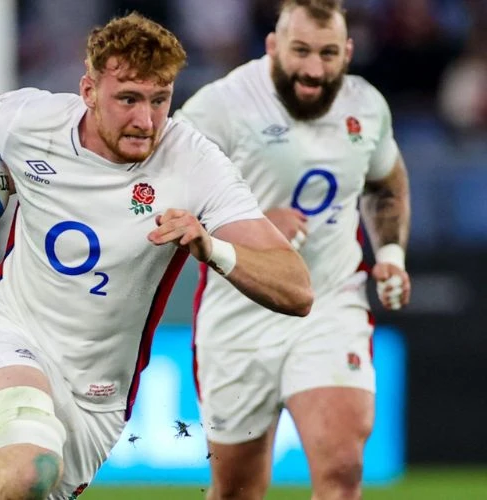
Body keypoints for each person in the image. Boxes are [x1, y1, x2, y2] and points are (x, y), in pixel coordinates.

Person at [0, 12, 314, 500]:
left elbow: (297, 289)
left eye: (160, 100)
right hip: (11, 333)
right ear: (89, 91)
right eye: (128, 99)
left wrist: (210, 247)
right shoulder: (35, 122)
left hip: (97, 396)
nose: (145, 120)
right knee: (28, 469)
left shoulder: (195, 164)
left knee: (17, 484)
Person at [173, 1, 412, 499]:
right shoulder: (223, 105)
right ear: (273, 46)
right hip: (239, 312)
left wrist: (390, 253)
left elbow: (386, 182)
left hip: (330, 303)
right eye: (300, 51)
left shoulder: (366, 106)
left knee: (343, 467)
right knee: (238, 489)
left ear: (347, 51)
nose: (313, 69)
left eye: (328, 54)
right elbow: (162, 191)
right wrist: (248, 225)